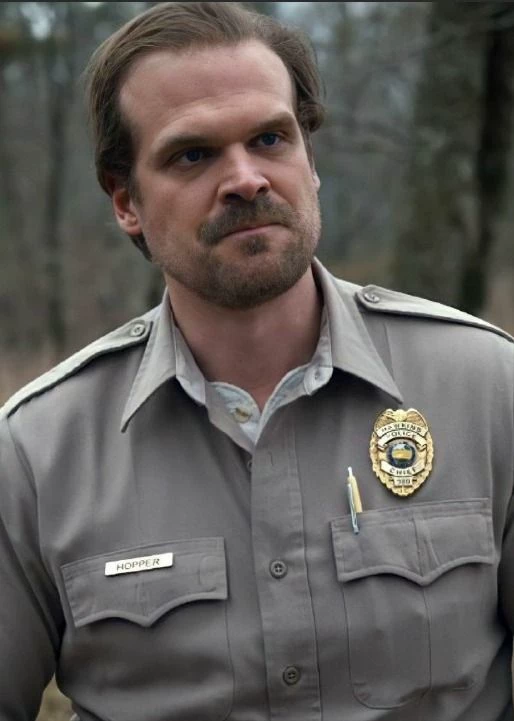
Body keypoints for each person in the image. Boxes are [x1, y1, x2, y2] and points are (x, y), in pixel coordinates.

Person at [1, 3, 513, 720]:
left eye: (270, 138)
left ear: (311, 160)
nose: (245, 178)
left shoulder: (485, 388)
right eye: (192, 155)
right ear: (125, 202)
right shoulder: (38, 451)